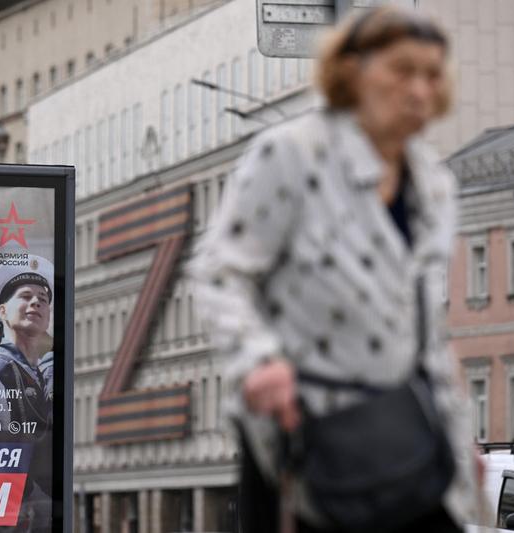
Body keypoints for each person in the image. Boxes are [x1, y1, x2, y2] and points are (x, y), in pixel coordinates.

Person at [190, 6, 481, 532]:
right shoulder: (292, 154)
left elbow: (429, 333)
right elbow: (219, 273)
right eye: (402, 70)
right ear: (352, 71)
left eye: (432, 74)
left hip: (406, 431)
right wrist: (258, 360)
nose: (419, 89)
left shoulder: (434, 184)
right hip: (305, 429)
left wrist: (461, 436)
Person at [0, 254, 54, 532]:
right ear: (4, 311)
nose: (36, 302)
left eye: (43, 299)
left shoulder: (37, 371)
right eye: (26, 296)